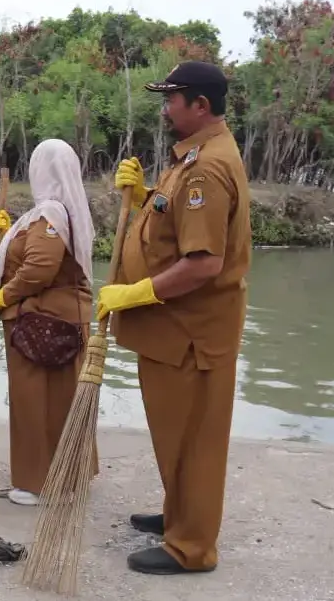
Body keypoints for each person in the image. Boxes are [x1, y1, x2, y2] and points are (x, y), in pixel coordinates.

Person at [99, 60, 251, 575]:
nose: (166, 109)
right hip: (174, 335)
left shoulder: (206, 167)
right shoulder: (193, 158)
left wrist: (137, 292)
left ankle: (191, 547)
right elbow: (177, 225)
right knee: (175, 434)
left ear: (200, 105)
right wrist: (145, 200)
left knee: (193, 441)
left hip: (192, 336)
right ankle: (178, 515)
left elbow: (204, 262)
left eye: (172, 100)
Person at [0, 139, 96, 506]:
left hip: (41, 322)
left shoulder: (51, 213)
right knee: (62, 398)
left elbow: (39, 268)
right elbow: (40, 256)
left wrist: (3, 295)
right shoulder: (61, 213)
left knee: (35, 400)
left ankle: (38, 481)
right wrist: (13, 231)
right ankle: (70, 472)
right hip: (62, 319)